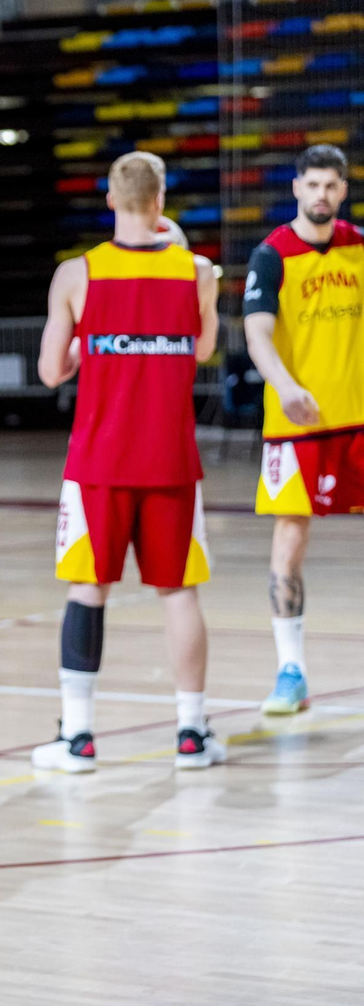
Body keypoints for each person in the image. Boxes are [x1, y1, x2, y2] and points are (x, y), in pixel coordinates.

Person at [33, 151, 223, 773]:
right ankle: (191, 733)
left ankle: (78, 739)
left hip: (99, 461)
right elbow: (202, 349)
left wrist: (91, 349)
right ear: (161, 200)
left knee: (88, 590)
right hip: (171, 461)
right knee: (179, 593)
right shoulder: (198, 272)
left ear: (111, 200)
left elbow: (51, 370)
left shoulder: (77, 274)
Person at [243, 144, 364, 714]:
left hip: (358, 416)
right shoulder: (272, 255)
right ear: (297, 188)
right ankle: (290, 671)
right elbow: (257, 334)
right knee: (290, 540)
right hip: (297, 424)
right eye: (312, 184)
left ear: (343, 190)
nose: (321, 194)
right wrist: (286, 386)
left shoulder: (358, 247)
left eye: (331, 185)